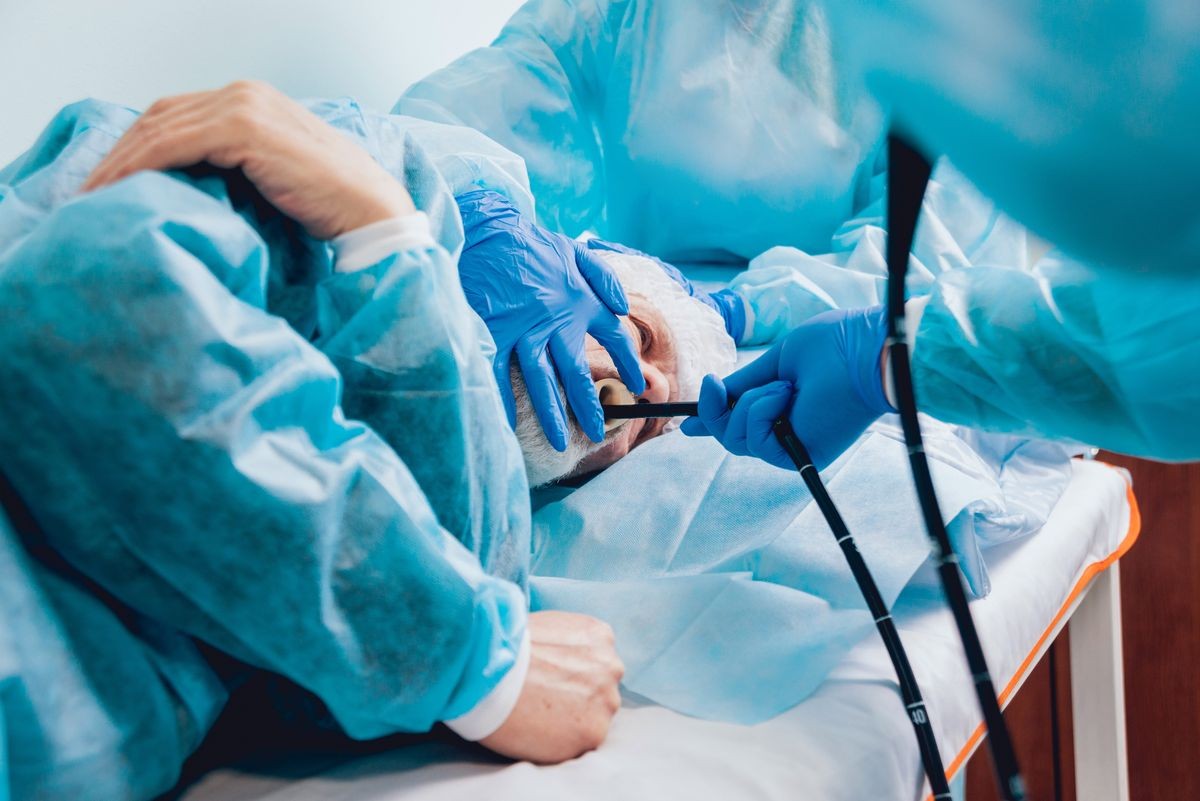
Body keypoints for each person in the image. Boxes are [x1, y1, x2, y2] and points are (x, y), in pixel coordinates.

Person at [0, 83, 634, 801]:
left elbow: (338, 662)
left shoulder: (447, 518)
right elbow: (93, 304)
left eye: (633, 426)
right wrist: (388, 231)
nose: (628, 388)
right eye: (640, 333)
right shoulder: (325, 170)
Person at [397, 0, 1200, 472]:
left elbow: (931, 248)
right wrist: (478, 205)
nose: (633, 381)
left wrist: (731, 313)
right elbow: (426, 130)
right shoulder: (612, 18)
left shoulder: (943, 38)